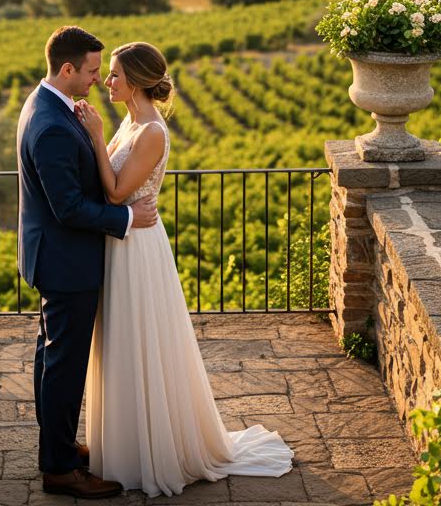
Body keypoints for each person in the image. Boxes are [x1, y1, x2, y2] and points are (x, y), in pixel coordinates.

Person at [77, 40, 294, 498]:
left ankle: (153, 450)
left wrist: (96, 137)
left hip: (137, 246)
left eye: (114, 75)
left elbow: (116, 193)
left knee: (140, 339)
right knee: (121, 341)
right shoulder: (130, 121)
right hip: (121, 241)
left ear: (134, 82)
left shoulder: (152, 131)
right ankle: (125, 445)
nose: (107, 82)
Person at [17, 25, 160, 499]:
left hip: (56, 258)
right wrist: (124, 216)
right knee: (64, 365)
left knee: (50, 357)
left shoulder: (50, 106)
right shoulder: (54, 125)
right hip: (66, 262)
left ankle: (56, 447)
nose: (99, 79)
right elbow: (70, 207)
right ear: (67, 69)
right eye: (94, 70)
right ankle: (59, 469)